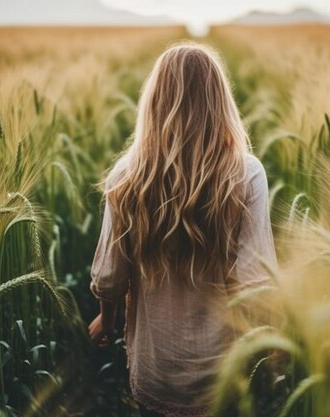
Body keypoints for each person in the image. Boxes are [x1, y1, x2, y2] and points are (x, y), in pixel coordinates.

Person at [88, 42, 277, 417]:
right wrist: (273, 344)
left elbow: (110, 276)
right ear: (220, 101)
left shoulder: (126, 175)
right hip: (223, 373)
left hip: (156, 370)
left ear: (154, 102)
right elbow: (256, 280)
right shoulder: (247, 173)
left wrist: (106, 321)